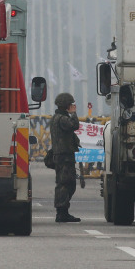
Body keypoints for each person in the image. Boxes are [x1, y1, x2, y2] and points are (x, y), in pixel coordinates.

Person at [50, 93, 81, 223]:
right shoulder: (62, 119)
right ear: (67, 105)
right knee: (65, 183)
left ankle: (63, 211)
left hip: (62, 155)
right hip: (64, 156)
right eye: (71, 104)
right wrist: (74, 113)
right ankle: (62, 212)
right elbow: (74, 125)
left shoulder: (56, 117)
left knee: (66, 183)